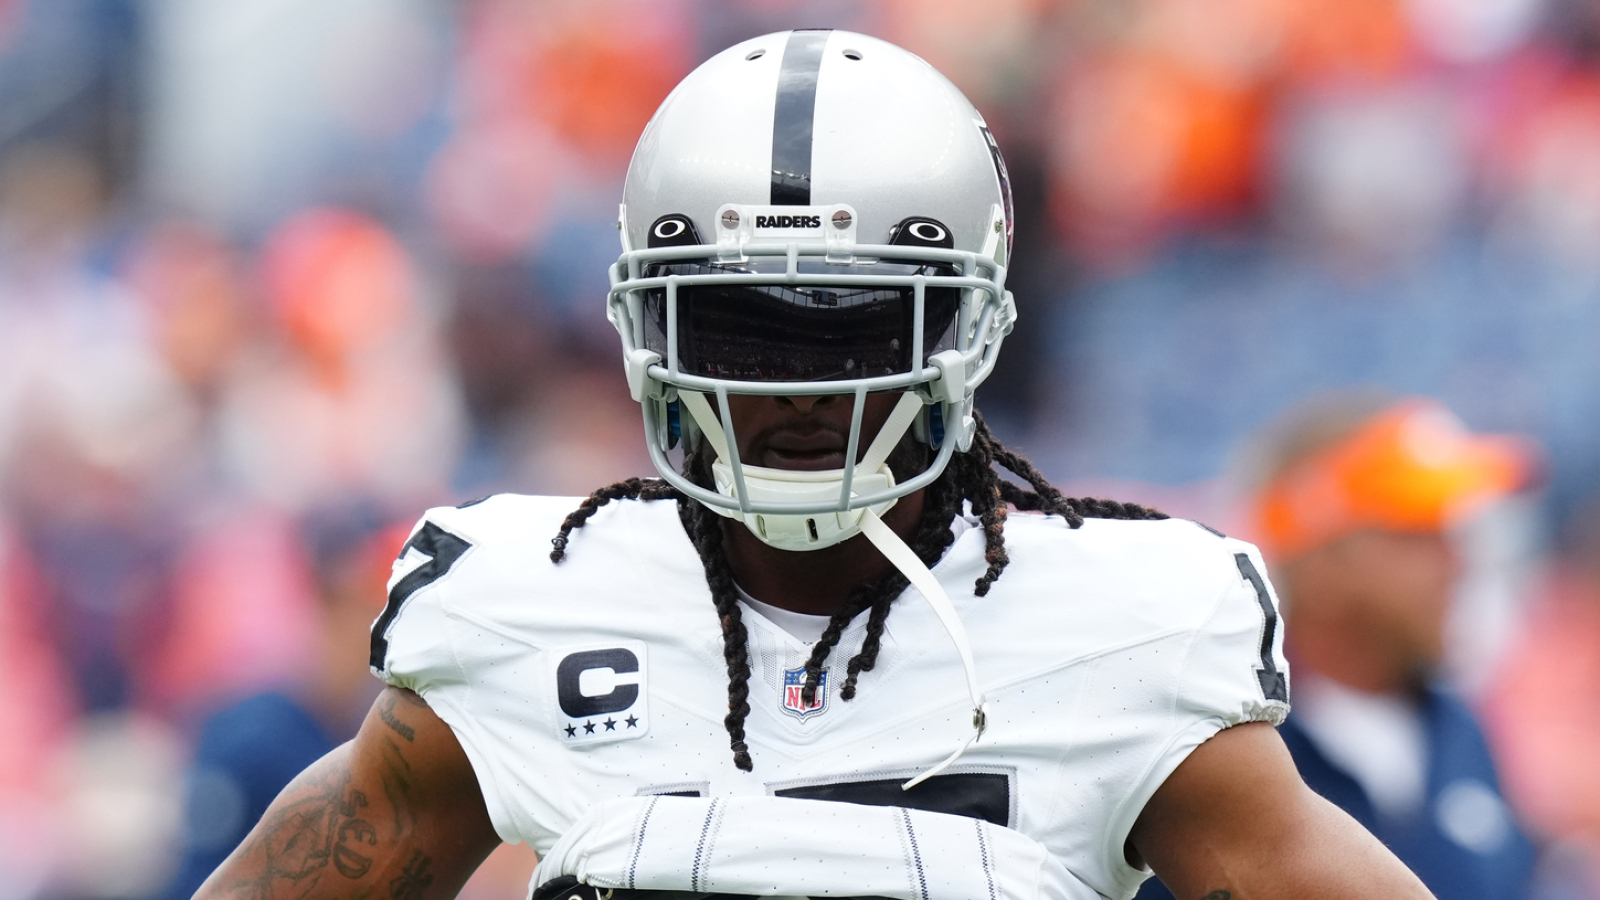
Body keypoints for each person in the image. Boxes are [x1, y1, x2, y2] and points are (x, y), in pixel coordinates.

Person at [194, 31, 1435, 900]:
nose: (796, 390)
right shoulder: (526, 604)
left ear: (966, 334)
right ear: (648, 330)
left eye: (853, 329)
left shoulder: (1119, 627)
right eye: (739, 329)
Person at [1146, 394, 1536, 900]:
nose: (1456, 563)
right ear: (1320, 565)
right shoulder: (1210, 748)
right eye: (1417, 533)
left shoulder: (1462, 730)